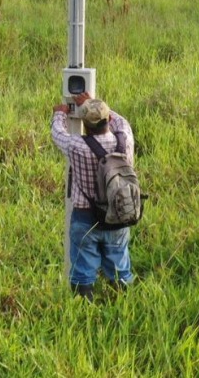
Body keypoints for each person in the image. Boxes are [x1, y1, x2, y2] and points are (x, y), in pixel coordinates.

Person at [50, 94, 136, 300]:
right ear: (108, 120)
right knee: (120, 268)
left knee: (82, 273)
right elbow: (121, 121)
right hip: (120, 213)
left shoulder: (77, 147)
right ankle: (124, 307)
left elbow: (57, 134)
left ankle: (84, 311)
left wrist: (59, 114)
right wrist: (94, 103)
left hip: (86, 217)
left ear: (85, 125)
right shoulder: (125, 138)